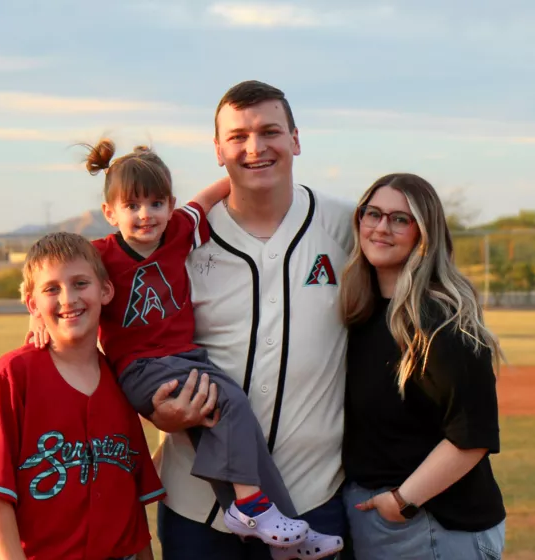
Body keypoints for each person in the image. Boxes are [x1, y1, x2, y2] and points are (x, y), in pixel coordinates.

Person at [53, 140, 322, 550]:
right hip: (142, 368)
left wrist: (239, 172)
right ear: (110, 213)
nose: (147, 215)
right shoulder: (99, 256)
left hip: (184, 359)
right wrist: (38, 319)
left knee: (235, 429)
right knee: (229, 404)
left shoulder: (179, 229)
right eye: (132, 206)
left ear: (170, 204)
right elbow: (55, 278)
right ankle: (251, 508)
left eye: (156, 203)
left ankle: (284, 539)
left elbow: (208, 197)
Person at [150, 80, 355, 560]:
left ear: (296, 139)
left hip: (313, 499)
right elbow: (123, 344)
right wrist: (157, 412)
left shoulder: (349, 225)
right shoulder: (179, 241)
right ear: (218, 149)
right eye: (238, 136)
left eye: (270, 132)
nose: (255, 147)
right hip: (199, 507)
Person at [0, 232, 164, 560]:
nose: (68, 299)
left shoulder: (119, 379)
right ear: (33, 304)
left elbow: (129, 495)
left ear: (105, 290)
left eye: (80, 283)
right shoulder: (11, 376)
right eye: (51, 289)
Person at [339, 173, 506, 559]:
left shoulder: (440, 320)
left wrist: (402, 501)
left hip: (432, 524)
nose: (382, 227)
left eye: (400, 219)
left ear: (424, 233)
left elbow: (472, 435)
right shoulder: (362, 311)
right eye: (373, 214)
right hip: (379, 520)